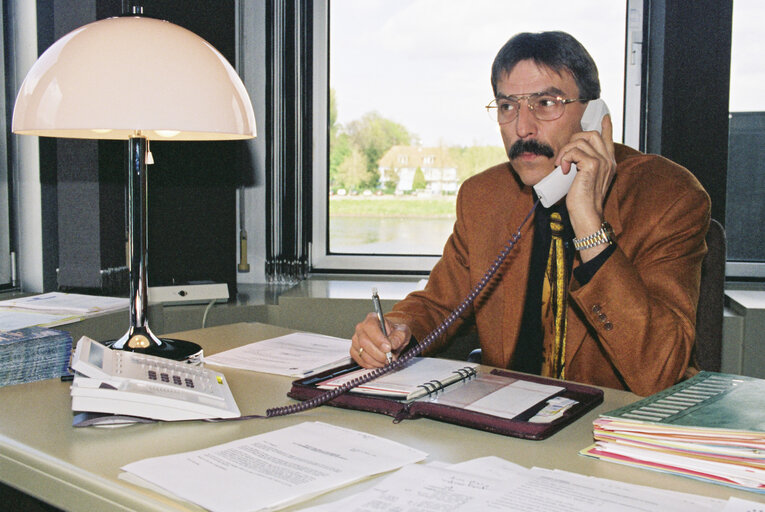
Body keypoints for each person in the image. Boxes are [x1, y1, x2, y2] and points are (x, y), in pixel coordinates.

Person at [351, 31, 710, 397]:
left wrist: (588, 225)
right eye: (508, 106)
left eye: (546, 103)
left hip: (612, 431)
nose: (522, 128)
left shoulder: (668, 197)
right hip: (505, 424)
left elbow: (662, 373)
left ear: (593, 117)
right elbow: (440, 304)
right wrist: (396, 328)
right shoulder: (484, 197)